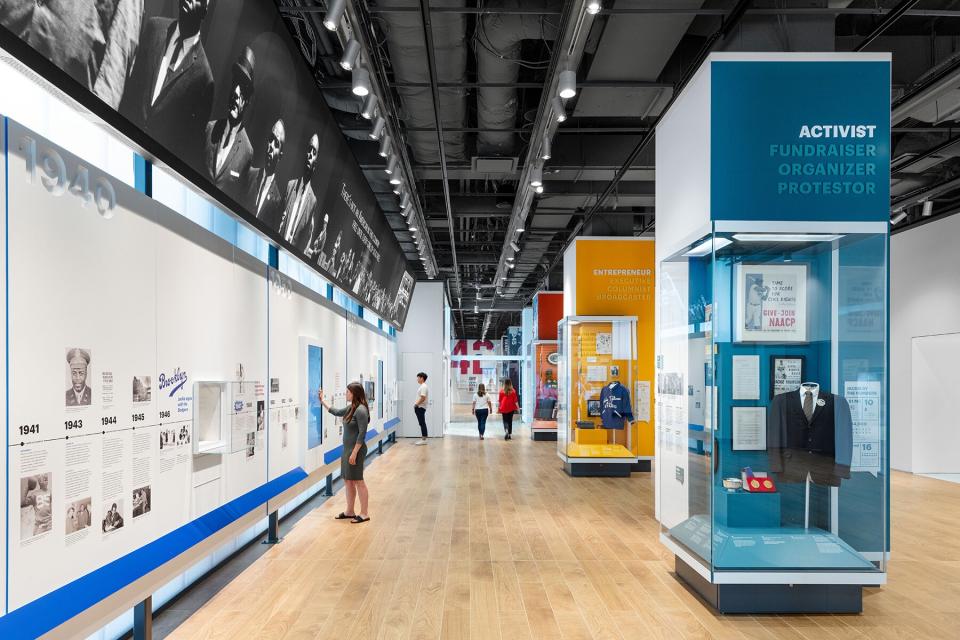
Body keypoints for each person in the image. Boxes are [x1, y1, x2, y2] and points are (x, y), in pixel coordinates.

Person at [118, 0, 215, 169]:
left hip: (152, 174)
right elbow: (129, 93)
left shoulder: (204, 79)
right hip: (119, 147)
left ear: (206, 9)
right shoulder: (153, 29)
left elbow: (187, 153)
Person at [203, 46, 255, 201]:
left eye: (243, 89)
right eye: (235, 83)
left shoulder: (247, 152)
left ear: (247, 101)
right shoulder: (210, 129)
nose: (236, 93)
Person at [318, 383, 371, 523]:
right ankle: (350, 511)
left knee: (358, 480)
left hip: (356, 450)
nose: (346, 394)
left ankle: (364, 513)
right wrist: (322, 401)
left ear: (355, 393)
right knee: (348, 480)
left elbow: (362, 434)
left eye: (348, 392)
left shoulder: (361, 410)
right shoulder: (351, 407)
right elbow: (336, 411)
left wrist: (354, 453)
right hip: (348, 449)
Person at [279, 134, 320, 251]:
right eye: (309, 150)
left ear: (315, 164)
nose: (310, 155)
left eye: (314, 152)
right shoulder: (290, 185)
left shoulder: (313, 201)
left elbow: (304, 240)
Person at [246, 118, 286, 229]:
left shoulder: (277, 201)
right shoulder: (250, 175)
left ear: (280, 156)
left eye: (276, 143)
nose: (271, 146)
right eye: (270, 139)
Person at [414, 372, 429, 445]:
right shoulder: (422, 386)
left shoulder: (423, 386)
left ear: (422, 378)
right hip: (420, 407)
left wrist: (416, 404)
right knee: (421, 423)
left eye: (418, 377)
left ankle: (424, 439)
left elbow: (423, 397)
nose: (417, 379)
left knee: (422, 423)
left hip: (420, 407)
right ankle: (424, 438)